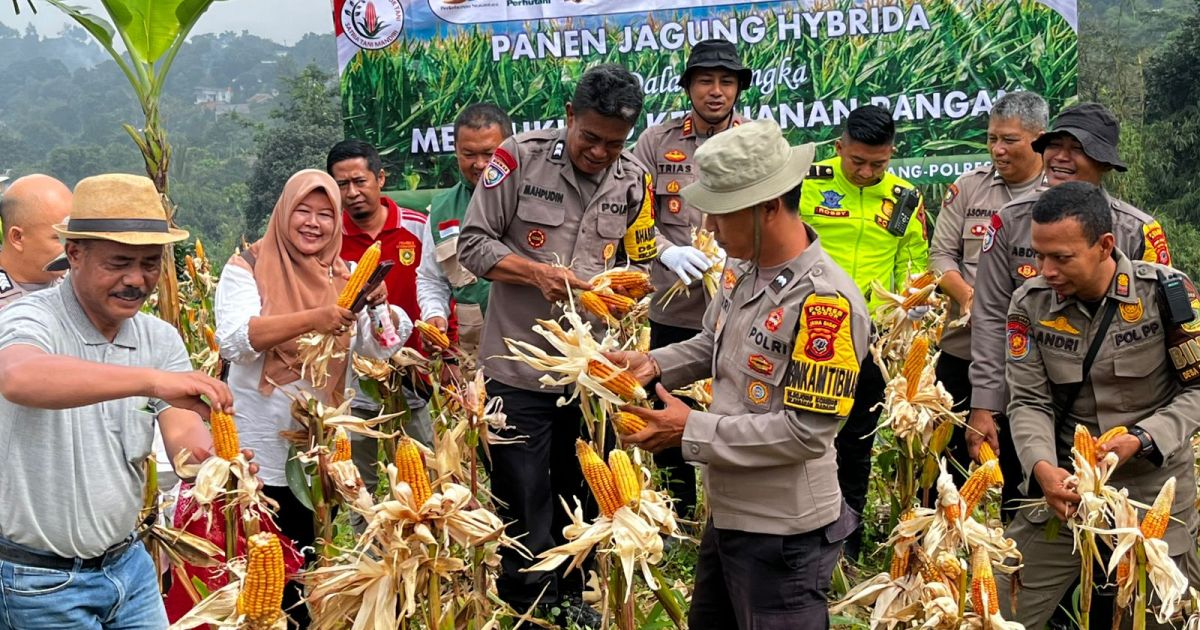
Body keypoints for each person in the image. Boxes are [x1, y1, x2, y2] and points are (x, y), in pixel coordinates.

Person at [611, 119, 865, 629]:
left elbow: (805, 432)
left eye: (721, 213)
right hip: (728, 513)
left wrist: (691, 430)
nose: (708, 226)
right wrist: (654, 363)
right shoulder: (740, 267)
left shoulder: (824, 304)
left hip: (783, 534)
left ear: (767, 207)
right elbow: (714, 342)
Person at [457, 63, 657, 627]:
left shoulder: (632, 180)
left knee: (582, 489)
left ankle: (576, 597)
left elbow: (633, 260)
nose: (599, 153)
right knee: (522, 491)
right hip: (516, 366)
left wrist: (626, 296)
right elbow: (474, 245)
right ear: (569, 116)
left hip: (589, 373)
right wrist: (533, 273)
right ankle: (527, 604)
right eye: (589, 138)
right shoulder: (518, 158)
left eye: (613, 144)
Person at [0, 173, 235, 629]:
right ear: (74, 254)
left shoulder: (159, 339)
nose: (136, 280)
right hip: (41, 581)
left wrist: (214, 464)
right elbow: (17, 376)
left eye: (150, 263)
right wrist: (150, 382)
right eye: (119, 262)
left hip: (129, 567)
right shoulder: (33, 316)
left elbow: (182, 440)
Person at [994, 181, 1200, 626]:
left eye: (1062, 258)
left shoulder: (1165, 293)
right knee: (998, 604)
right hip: (1067, 488)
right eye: (1039, 255)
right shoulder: (1029, 304)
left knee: (1155, 615)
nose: (1046, 270)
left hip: (1152, 490)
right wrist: (1042, 468)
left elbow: (1197, 390)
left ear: (1105, 246)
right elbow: (1028, 401)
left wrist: (1143, 439)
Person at [214, 169, 409, 624]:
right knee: (262, 563)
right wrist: (314, 317)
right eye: (303, 210)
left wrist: (377, 301)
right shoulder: (246, 266)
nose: (313, 223)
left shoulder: (343, 274)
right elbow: (235, 340)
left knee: (309, 556)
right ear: (284, 212)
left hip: (316, 443)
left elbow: (381, 346)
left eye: (326, 214)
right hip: (258, 442)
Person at [967, 103, 1172, 478]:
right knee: (1025, 502)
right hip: (1035, 408)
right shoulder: (1010, 220)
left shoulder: (1138, 230)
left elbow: (1170, 327)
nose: (1061, 157)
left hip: (1124, 421)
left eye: (1077, 148)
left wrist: (1152, 434)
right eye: (1054, 145)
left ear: (1105, 163)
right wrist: (985, 403)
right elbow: (991, 316)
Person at [799, 104, 929, 559]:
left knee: (856, 444)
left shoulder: (904, 196)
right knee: (805, 438)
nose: (867, 172)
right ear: (839, 148)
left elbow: (913, 264)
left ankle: (846, 545)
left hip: (873, 339)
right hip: (809, 333)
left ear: (892, 153)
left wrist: (911, 306)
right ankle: (801, 538)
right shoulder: (808, 181)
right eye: (857, 162)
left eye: (879, 163)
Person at [630, 39, 749, 522]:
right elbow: (634, 214)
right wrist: (666, 250)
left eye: (726, 82)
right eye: (705, 81)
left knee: (738, 407)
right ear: (688, 88)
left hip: (740, 306)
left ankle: (731, 509)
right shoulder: (656, 142)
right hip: (674, 308)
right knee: (665, 403)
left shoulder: (755, 140)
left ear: (738, 88)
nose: (716, 92)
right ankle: (676, 513)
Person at [928, 91, 1047, 492]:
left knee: (1022, 473)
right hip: (964, 348)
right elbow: (941, 256)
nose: (998, 149)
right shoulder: (968, 188)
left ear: (1040, 138)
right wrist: (967, 296)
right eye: (992, 138)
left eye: (1010, 140)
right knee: (945, 472)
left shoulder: (1060, 196)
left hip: (1031, 359)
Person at [416, 103, 511, 359]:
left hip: (535, 350)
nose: (480, 165)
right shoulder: (441, 210)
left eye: (490, 154)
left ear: (510, 148)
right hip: (475, 356)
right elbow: (431, 279)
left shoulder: (533, 200)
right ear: (456, 151)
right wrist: (434, 315)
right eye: (469, 154)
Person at [0, 173, 72, 309]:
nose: (73, 249)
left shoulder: (81, 285)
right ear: (17, 238)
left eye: (75, 238)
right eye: (60, 239)